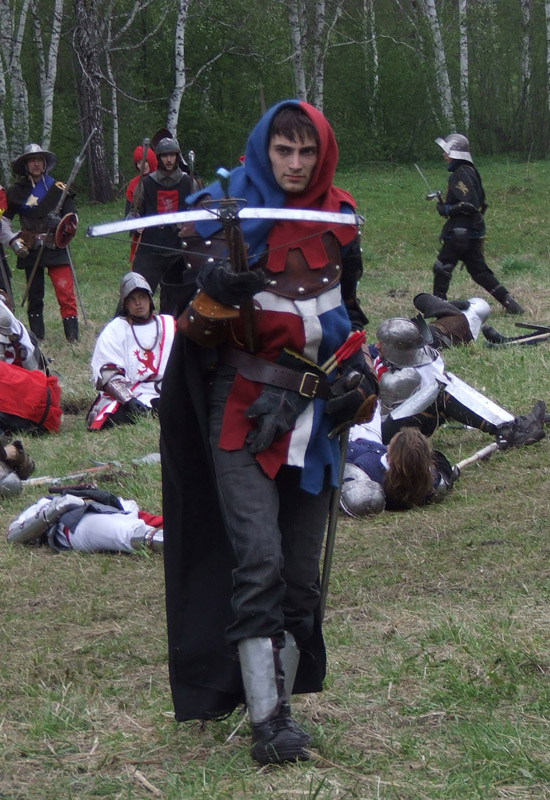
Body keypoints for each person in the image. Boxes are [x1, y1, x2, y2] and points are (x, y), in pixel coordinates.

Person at [159, 100, 378, 765]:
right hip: (243, 407)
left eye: (308, 151)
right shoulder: (221, 217)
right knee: (259, 560)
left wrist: (360, 376)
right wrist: (216, 290)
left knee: (302, 580)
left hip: (318, 413)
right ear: (265, 149)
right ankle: (269, 721)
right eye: (284, 149)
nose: (296, 163)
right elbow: (190, 328)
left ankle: (280, 696)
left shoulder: (338, 220)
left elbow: (350, 315)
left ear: (323, 154)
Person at [374, 316, 545, 447]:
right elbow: (384, 425)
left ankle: (513, 424)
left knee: (444, 385)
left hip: (386, 424)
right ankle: (510, 430)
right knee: (441, 391)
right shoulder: (394, 380)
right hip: (382, 434)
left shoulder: (398, 365)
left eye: (382, 343)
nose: (377, 346)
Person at [432, 134, 523, 315]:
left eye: (447, 151)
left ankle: (438, 306)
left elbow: (469, 205)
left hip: (459, 232)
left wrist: (446, 209)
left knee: (442, 267)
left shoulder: (461, 173)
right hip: (470, 231)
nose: (444, 155)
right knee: (479, 272)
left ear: (455, 153)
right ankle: (510, 303)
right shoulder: (468, 170)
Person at [3, 143, 80, 341]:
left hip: (56, 245)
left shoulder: (58, 188)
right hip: (30, 248)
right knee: (35, 295)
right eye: (32, 161)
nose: (36, 164)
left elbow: (73, 218)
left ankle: (72, 337)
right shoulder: (16, 192)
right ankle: (37, 337)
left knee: (65, 291)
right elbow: (4, 220)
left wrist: (61, 223)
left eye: (39, 160)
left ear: (44, 163)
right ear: (26, 165)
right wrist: (13, 240)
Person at [87, 272, 176, 430]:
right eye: (132, 299)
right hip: (131, 391)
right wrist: (128, 400)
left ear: (150, 299)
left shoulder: (168, 324)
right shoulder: (115, 329)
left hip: (165, 389)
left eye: (142, 297)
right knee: (115, 416)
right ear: (125, 305)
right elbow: (107, 372)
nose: (138, 303)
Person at [131, 134, 195, 313]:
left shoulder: (189, 182)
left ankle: (171, 327)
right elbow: (134, 211)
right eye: (165, 155)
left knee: (177, 305)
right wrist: (134, 220)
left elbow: (198, 213)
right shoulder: (146, 183)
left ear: (177, 157)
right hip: (151, 249)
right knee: (135, 293)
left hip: (179, 251)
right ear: (159, 158)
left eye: (172, 155)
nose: (169, 159)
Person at [341, 423, 454, 516]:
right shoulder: (428, 485)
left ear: (392, 458)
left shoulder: (368, 472)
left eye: (390, 446)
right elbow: (442, 465)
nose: (388, 446)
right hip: (367, 442)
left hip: (347, 441)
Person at [7, 489, 163, 553]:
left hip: (117, 511)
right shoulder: (43, 504)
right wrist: (57, 508)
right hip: (76, 525)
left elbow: (128, 507)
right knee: (133, 534)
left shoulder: (95, 496)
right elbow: (15, 535)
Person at [412, 293, 490, 349]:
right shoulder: (470, 338)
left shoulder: (454, 312)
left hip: (424, 336)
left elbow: (421, 300)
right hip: (437, 347)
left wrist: (448, 303)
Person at [125, 144, 158, 264]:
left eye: (145, 161)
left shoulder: (161, 179)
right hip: (140, 236)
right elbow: (129, 213)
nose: (142, 165)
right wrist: (135, 224)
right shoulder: (133, 184)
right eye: (139, 163)